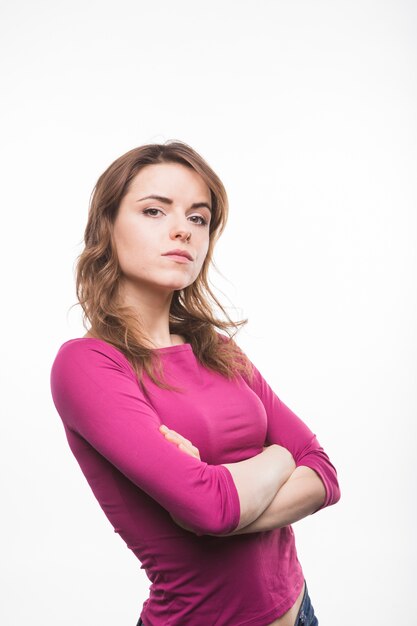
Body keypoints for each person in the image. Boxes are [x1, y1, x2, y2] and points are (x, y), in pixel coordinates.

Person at [50, 140, 341, 626]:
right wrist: (276, 458)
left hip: (299, 609)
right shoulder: (88, 364)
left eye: (198, 218)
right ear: (108, 225)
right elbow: (209, 509)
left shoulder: (217, 348)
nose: (182, 230)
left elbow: (324, 474)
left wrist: (230, 503)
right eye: (154, 210)